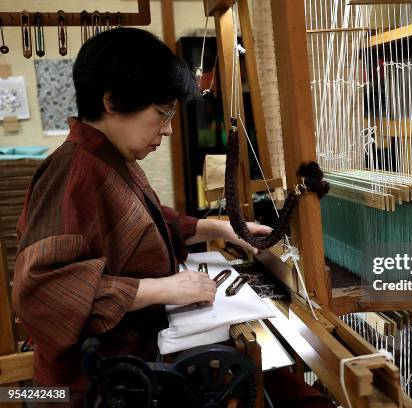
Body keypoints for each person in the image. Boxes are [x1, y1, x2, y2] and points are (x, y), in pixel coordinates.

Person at [11, 27, 270, 406]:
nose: (167, 130)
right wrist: (162, 289)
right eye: (162, 113)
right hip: (88, 386)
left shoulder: (109, 159)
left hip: (128, 369)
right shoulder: (72, 172)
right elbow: (41, 293)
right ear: (113, 101)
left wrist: (221, 228)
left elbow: (149, 222)